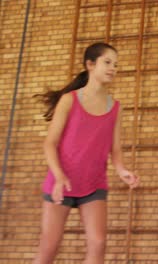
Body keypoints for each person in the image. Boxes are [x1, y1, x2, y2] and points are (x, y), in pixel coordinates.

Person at [33, 42, 139, 263]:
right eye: (107, 62)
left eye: (116, 65)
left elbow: (115, 148)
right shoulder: (69, 100)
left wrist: (122, 170)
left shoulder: (116, 107)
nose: (113, 68)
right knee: (49, 246)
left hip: (94, 183)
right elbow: (50, 143)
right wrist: (59, 176)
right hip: (61, 183)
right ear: (90, 64)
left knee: (98, 243)